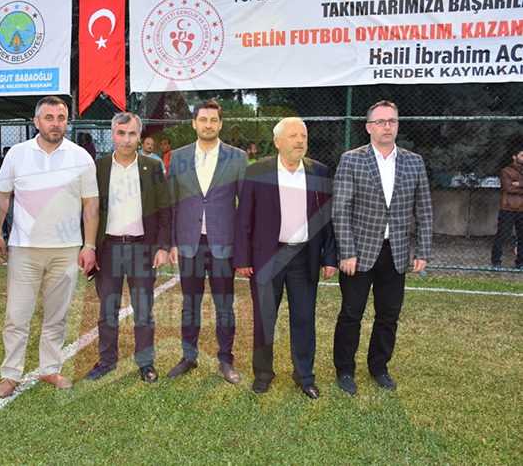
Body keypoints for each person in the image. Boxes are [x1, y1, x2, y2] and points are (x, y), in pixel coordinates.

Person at [0, 96, 99, 398]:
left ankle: (50, 368)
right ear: (36, 121)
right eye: (49, 117)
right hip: (24, 249)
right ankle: (10, 374)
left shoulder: (81, 157)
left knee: (57, 315)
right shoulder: (17, 154)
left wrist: (89, 244)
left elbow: (91, 203)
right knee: (17, 316)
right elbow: (2, 197)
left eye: (61, 118)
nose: (55, 123)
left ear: (67, 122)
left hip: (66, 249)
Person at [332, 100, 433, 394]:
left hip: (396, 253)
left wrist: (423, 251)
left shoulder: (414, 162)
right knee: (351, 314)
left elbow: (424, 209)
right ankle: (345, 370)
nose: (386, 126)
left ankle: (379, 367)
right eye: (380, 122)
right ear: (369, 127)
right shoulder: (351, 160)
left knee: (388, 316)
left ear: (398, 125)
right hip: (359, 253)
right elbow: (340, 209)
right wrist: (346, 251)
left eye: (392, 121)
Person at [234, 118, 337, 398]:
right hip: (267, 258)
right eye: (293, 136)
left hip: (305, 257)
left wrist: (329, 257)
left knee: (304, 319)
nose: (300, 140)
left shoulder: (319, 171)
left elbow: (327, 218)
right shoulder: (258, 170)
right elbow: (244, 218)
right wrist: (242, 258)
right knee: (264, 320)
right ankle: (262, 374)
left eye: (303, 135)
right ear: (278, 142)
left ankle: (305, 376)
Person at [86, 112, 171, 383]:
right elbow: (87, 209)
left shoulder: (153, 167)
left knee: (143, 311)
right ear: (112, 135)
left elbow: (164, 208)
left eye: (132, 133)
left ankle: (145, 362)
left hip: (142, 249)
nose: (126, 139)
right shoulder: (98, 167)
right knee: (107, 311)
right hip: (108, 249)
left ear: (140, 136)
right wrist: (88, 246)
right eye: (121, 133)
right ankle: (107, 361)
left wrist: (163, 246)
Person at [166, 99, 247, 384]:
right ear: (194, 123)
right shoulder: (178, 157)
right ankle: (189, 356)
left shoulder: (237, 157)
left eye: (213, 120)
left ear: (221, 124)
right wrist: (172, 242)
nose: (208, 125)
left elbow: (244, 206)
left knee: (224, 305)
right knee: (190, 304)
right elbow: (171, 203)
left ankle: (226, 359)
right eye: (203, 120)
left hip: (224, 243)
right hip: (189, 243)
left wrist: (243, 247)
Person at [491, 149, 523, 269]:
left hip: (522, 209)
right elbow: (508, 188)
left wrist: (518, 184)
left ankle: (520, 263)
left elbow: (514, 187)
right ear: (514, 156)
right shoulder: (506, 171)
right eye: (522, 155)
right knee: (502, 235)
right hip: (508, 208)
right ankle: (496, 261)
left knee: (522, 238)